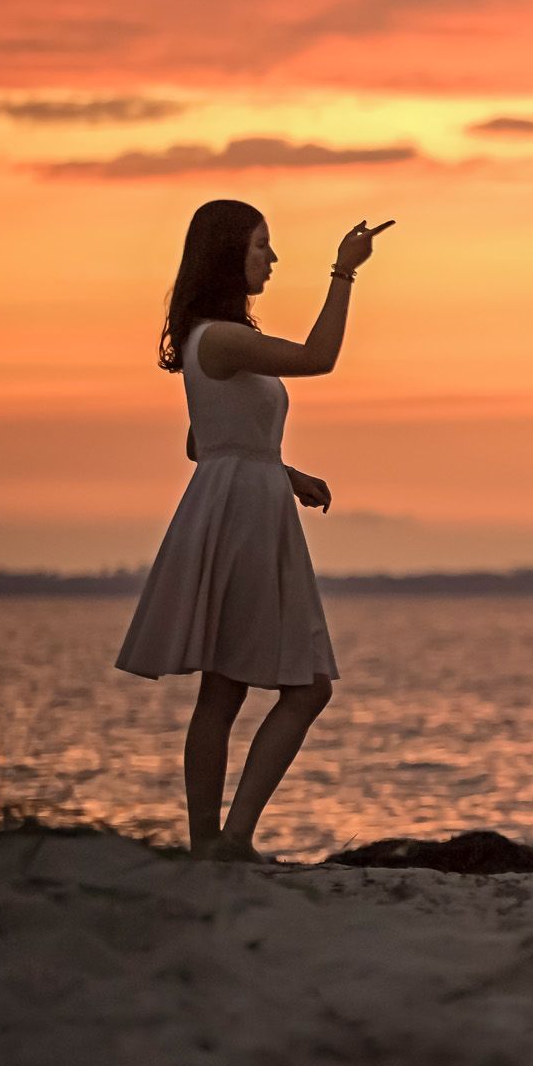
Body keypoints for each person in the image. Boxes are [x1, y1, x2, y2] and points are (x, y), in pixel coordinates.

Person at [116, 199, 394, 861]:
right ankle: (229, 840)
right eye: (261, 246)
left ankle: (212, 845)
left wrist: (282, 471)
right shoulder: (220, 337)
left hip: (242, 499)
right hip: (243, 513)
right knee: (297, 688)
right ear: (228, 255)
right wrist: (345, 271)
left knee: (225, 687)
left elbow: (200, 442)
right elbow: (319, 357)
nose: (271, 259)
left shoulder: (210, 340)